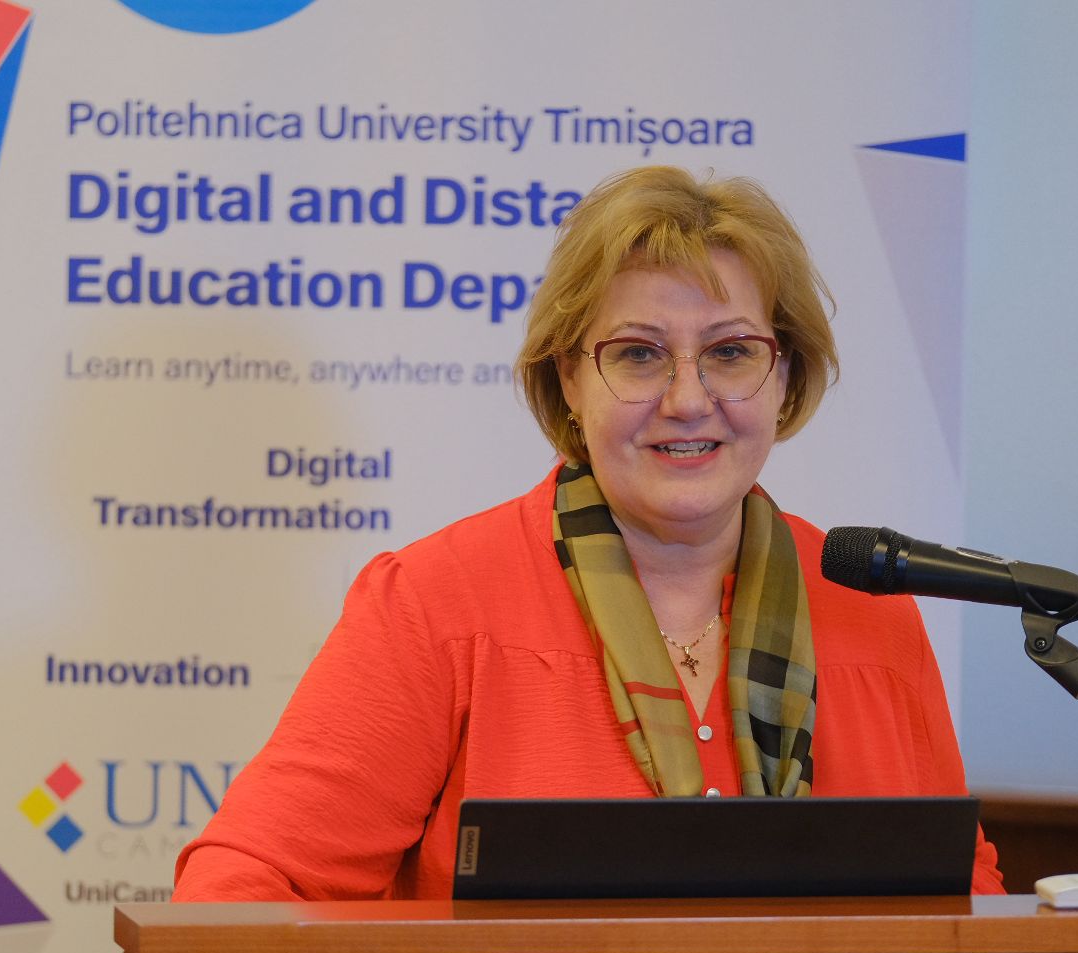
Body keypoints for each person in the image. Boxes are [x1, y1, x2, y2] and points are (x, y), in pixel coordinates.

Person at [173, 166, 1003, 900]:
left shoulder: (871, 608)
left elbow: (967, 907)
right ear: (569, 376)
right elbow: (243, 889)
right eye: (639, 355)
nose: (688, 399)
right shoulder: (437, 605)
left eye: (731, 352)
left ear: (784, 374)